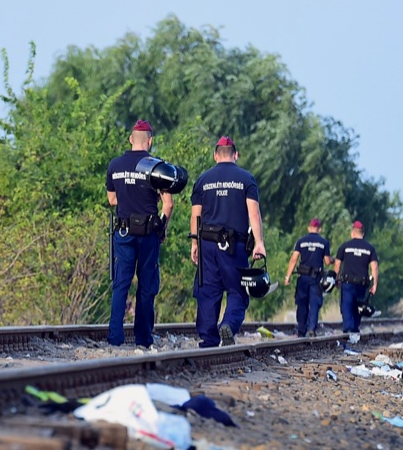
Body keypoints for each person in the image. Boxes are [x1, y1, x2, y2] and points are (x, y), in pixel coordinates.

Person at [189, 136, 266, 347]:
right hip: (234, 246)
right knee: (237, 291)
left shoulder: (202, 180)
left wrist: (194, 243)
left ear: (215, 155)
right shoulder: (246, 179)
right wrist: (259, 242)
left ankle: (208, 340)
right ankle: (229, 325)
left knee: (208, 291)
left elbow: (196, 215)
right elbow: (254, 213)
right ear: (236, 154)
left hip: (207, 244)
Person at [106, 119, 173, 348]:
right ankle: (143, 339)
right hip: (148, 234)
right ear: (150, 141)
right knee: (146, 286)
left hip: (123, 233)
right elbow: (168, 205)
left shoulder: (115, 165)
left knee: (121, 285)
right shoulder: (156, 166)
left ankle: (115, 338)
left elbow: (112, 200)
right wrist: (162, 227)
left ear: (130, 139)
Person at [283, 218, 331, 338]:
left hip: (303, 277)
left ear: (309, 228)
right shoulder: (324, 242)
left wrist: (288, 276)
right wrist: (333, 260)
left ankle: (301, 330)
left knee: (302, 303)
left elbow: (294, 259)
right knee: (314, 303)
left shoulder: (301, 241)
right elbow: (327, 261)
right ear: (319, 229)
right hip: (316, 278)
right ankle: (311, 329)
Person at [333, 220, 378, 342]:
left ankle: (348, 329)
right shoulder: (369, 248)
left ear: (353, 232)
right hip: (362, 284)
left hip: (348, 282)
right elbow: (374, 267)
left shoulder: (345, 246)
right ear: (362, 233)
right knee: (358, 307)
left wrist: (335, 278)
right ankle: (355, 328)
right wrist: (374, 284)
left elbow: (337, 264)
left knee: (346, 306)